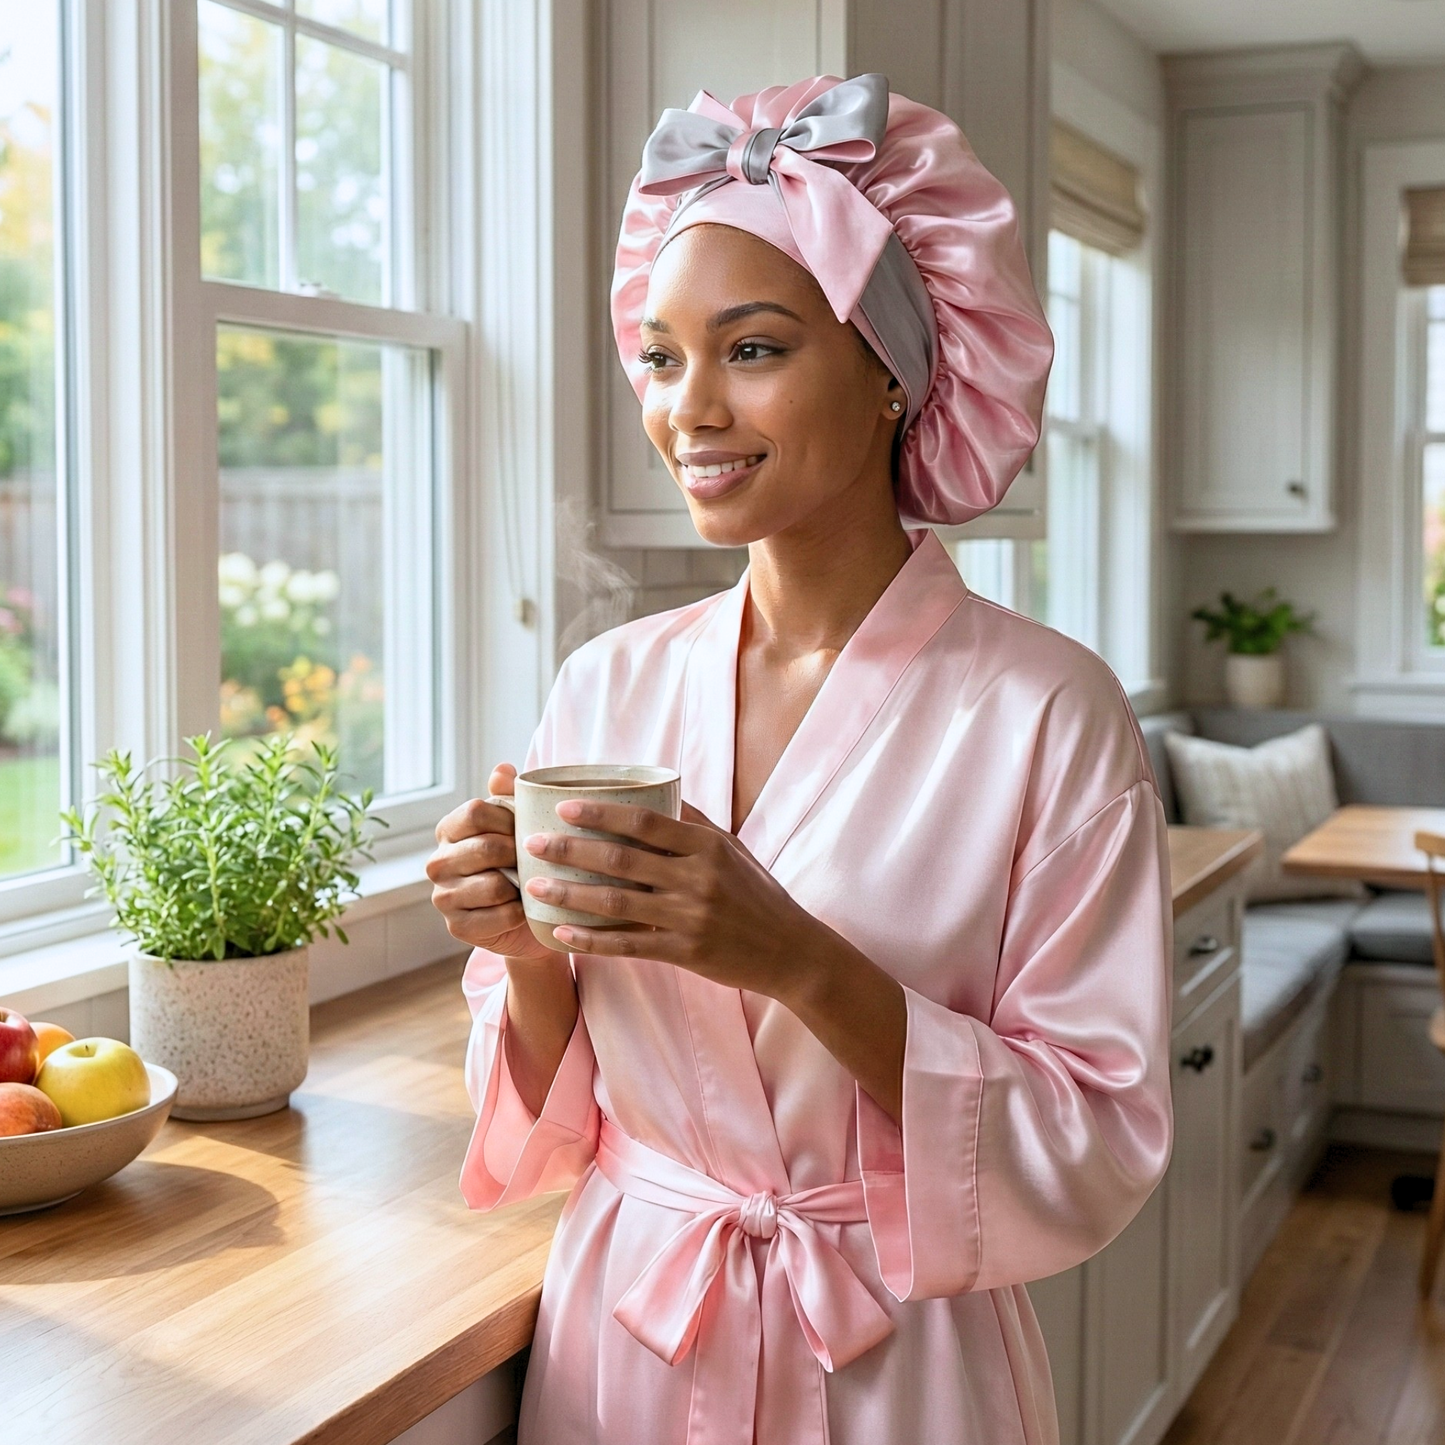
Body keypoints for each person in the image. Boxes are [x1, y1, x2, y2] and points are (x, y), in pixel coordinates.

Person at [428, 73, 1172, 1445]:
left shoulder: (1048, 714)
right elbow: (556, 1117)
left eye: (751, 349)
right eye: (659, 357)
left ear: (894, 368)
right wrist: (524, 950)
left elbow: (1096, 1132)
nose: (687, 412)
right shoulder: (607, 684)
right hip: (630, 1346)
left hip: (902, 1371)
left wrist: (796, 958)